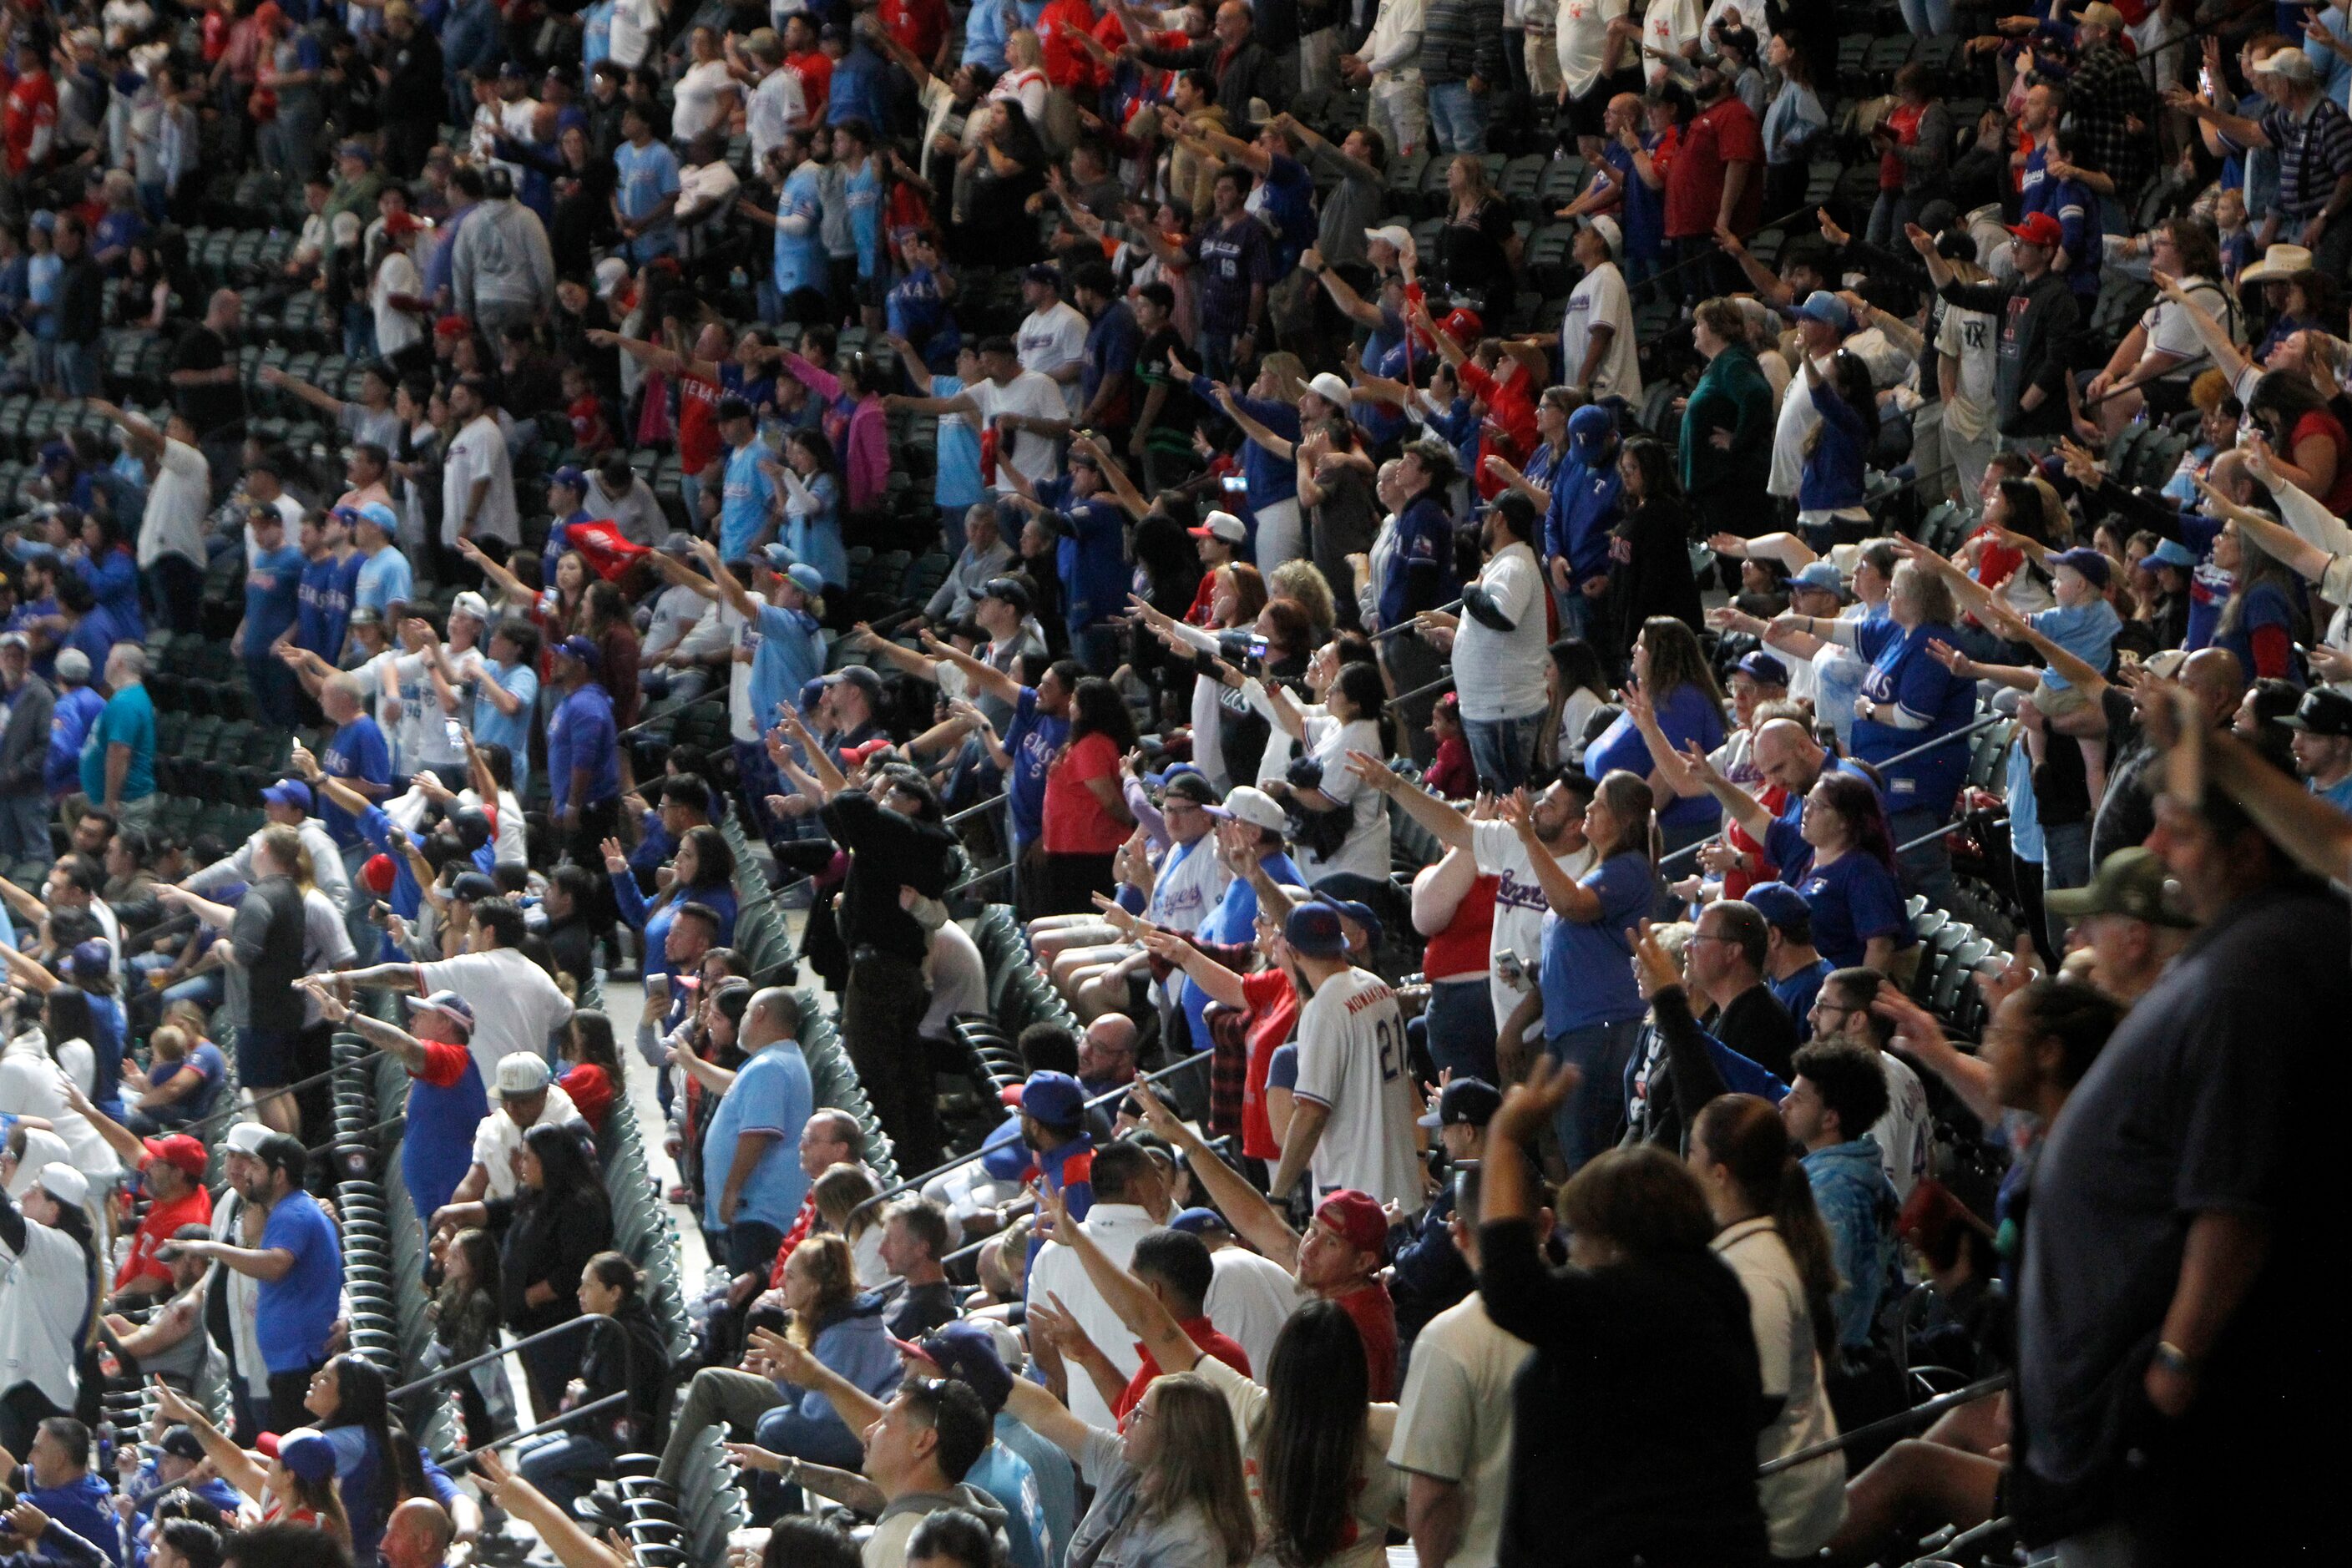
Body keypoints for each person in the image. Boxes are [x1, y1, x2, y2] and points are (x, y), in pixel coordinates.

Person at [1476, 1062, 1772, 1567]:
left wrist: (1503, 1140)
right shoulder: (1712, 1287)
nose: (1571, 1252)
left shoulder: (1639, 1303)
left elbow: (1510, 1287)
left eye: (1578, 1236)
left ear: (1613, 1242)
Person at [1687, 1095, 1846, 1560]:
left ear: (1720, 1173)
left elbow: (1763, 1401)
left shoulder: (1755, 1275)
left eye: (1692, 1150)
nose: (1685, 1161)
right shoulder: (1742, 1247)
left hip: (1782, 1510)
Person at [1387, 1161, 1532, 1568]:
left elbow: (1431, 1498)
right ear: (1544, 1223)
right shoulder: (1596, 1319)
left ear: (1460, 1234)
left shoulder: (1447, 1340)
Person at [171, 1133, 342, 1433]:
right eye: (233, 1159)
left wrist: (212, 1249)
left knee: (293, 1453)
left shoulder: (293, 1212)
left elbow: (276, 1265)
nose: (246, 1172)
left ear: (278, 1175)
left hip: (296, 1364)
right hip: (261, 1362)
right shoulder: (243, 1204)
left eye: (254, 1165)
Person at [511, 1253, 675, 1515]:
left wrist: (583, 1395)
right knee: (524, 1454)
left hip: (619, 1437)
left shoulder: (625, 1337)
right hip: (595, 1427)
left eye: (588, 1286)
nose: (579, 1292)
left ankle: (595, 1528)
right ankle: (587, 1508)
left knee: (532, 1467)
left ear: (614, 1293)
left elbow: (621, 1402)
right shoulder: (608, 1325)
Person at [1779, 1040, 1899, 1370]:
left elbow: (1828, 1306)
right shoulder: (1868, 1175)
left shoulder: (1830, 1196)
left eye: (1798, 1098)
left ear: (1830, 1118)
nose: (1783, 1103)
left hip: (1834, 1376)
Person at [701, 987, 816, 1276]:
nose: (742, 1021)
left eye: (747, 1013)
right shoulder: (777, 1060)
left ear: (760, 1014)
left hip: (758, 1214)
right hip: (756, 1212)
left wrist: (730, 1191)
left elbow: (756, 1135)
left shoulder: (771, 1066)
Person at [0, 1165, 100, 1456]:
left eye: (35, 1191)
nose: (25, 1195)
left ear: (54, 1210)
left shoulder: (63, 1250)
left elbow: (9, 1221)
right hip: (22, 1386)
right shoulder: (48, 1252)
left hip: (34, 1392)